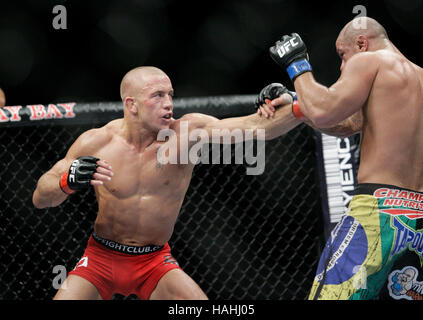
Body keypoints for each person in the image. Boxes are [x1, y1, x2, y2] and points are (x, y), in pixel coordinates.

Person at [32, 66, 301, 300]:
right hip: (101, 259)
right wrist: (66, 182)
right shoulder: (97, 142)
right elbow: (41, 197)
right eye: (158, 95)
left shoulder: (187, 133)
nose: (169, 103)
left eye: (170, 94)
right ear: (131, 104)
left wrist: (293, 101)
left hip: (154, 262)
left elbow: (258, 127)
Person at [259, 17, 423, 300]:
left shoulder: (370, 61)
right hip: (417, 219)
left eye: (342, 56)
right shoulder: (419, 77)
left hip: (377, 212)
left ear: (361, 43)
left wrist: (297, 65)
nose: (342, 67)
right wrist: (297, 103)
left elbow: (325, 110)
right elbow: (346, 124)